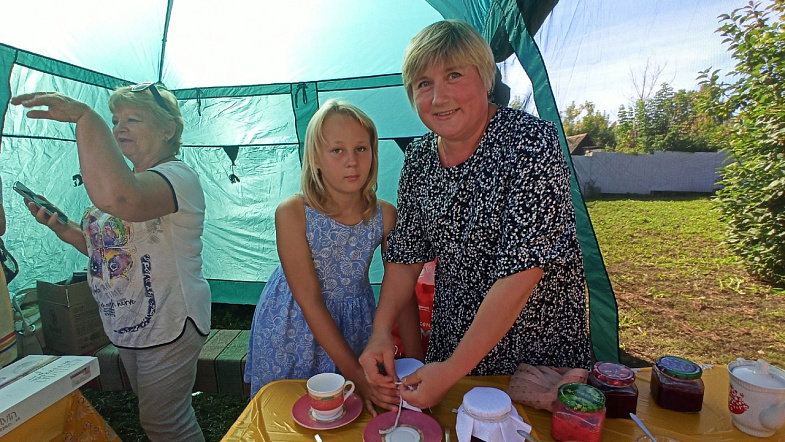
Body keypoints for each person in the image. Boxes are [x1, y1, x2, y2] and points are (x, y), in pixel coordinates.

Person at [359, 20, 591, 409]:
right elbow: (405, 255)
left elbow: (522, 273)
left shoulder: (531, 142)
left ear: (485, 78)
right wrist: (381, 330)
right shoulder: (418, 159)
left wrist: (451, 370)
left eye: (454, 75)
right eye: (423, 84)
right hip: (454, 347)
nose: (438, 97)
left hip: (535, 358)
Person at [12, 84, 211, 441]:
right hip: (130, 321)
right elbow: (107, 253)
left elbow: (121, 198)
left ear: (169, 130)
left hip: (170, 321)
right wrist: (63, 227)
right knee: (158, 414)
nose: (119, 127)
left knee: (165, 423)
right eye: (115, 119)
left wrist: (85, 119)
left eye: (132, 119)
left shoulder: (177, 178)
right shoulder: (129, 179)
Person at [244, 99, 421, 414]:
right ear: (315, 158)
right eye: (337, 150)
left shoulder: (385, 215)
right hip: (294, 325)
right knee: (295, 413)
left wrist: (417, 363)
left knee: (355, 415)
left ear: (374, 153)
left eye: (361, 149)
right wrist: (357, 376)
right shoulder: (293, 214)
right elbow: (310, 301)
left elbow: (403, 291)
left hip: (357, 323)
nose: (351, 161)